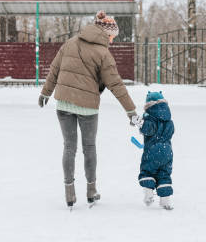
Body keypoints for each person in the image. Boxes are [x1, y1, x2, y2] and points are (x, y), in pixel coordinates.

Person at [38, 11, 137, 209]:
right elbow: (116, 84)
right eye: (112, 37)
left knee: (69, 147)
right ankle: (91, 191)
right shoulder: (103, 53)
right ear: (106, 34)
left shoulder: (70, 42)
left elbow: (54, 69)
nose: (112, 41)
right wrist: (131, 111)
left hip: (64, 104)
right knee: (89, 148)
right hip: (87, 107)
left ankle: (69, 193)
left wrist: (46, 93)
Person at [134, 91, 174, 210]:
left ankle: (148, 194)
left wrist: (140, 123)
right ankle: (165, 201)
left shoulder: (150, 118)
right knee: (164, 174)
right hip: (167, 152)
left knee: (148, 171)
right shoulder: (168, 120)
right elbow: (171, 131)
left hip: (152, 150)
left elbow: (149, 129)